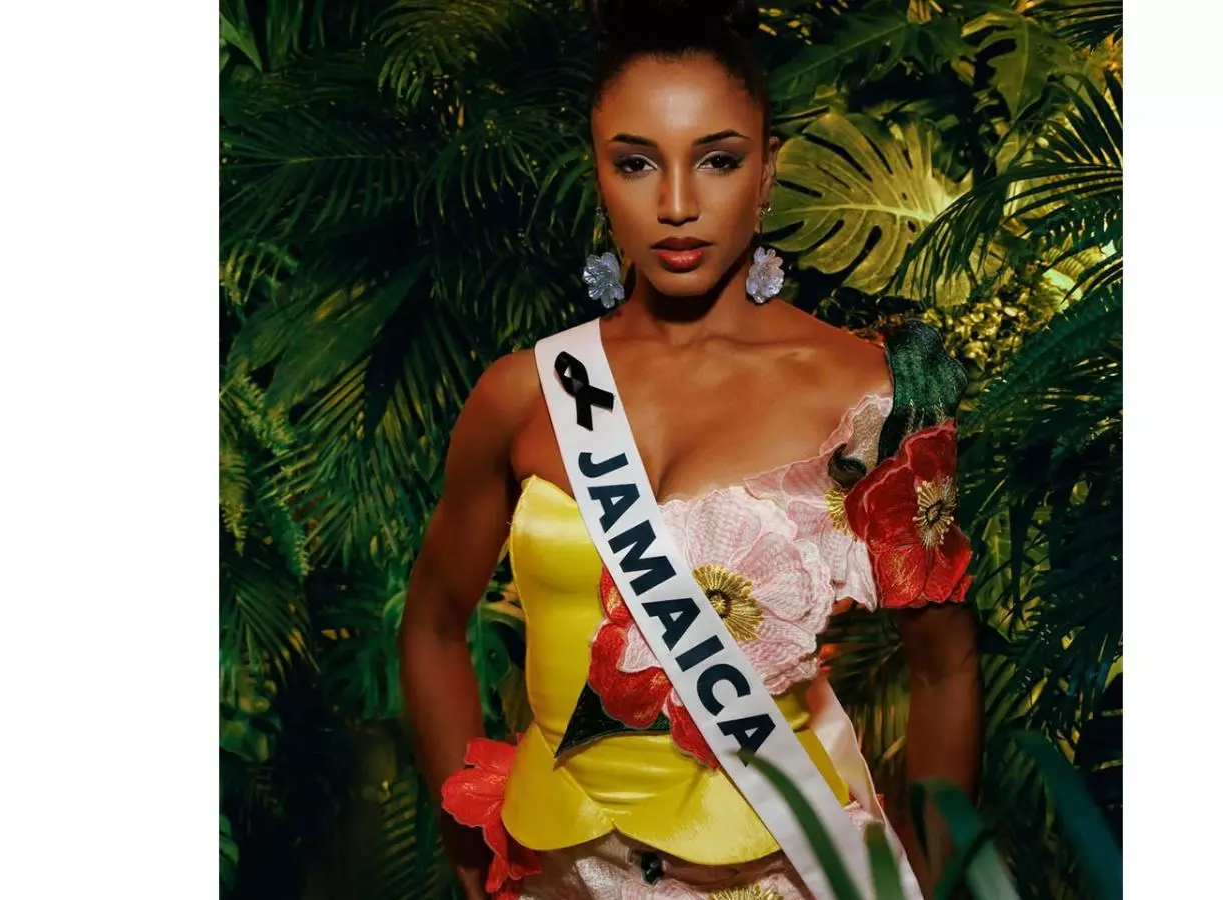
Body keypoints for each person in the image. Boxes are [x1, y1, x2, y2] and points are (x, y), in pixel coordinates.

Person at [398, 1, 981, 897]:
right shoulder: (525, 395)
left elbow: (944, 667)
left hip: (785, 872)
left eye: (718, 159)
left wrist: (939, 881)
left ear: (767, 171)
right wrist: (473, 853)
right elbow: (434, 623)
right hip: (562, 875)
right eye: (636, 163)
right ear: (598, 175)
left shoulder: (871, 395)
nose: (676, 204)